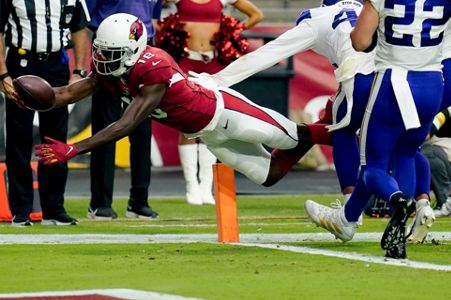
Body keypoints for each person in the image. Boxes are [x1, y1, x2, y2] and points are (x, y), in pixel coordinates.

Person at [33, 13, 311, 197]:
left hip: (225, 112)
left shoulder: (153, 66)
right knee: (268, 176)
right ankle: (321, 135)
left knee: (295, 137)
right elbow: (64, 95)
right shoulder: (112, 71)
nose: (104, 58)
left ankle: (336, 138)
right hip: (207, 133)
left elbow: (126, 124)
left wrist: (75, 147)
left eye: (112, 53)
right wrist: (25, 96)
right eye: (102, 51)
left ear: (134, 49)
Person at [305, 0, 450, 258]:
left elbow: (360, 41)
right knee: (406, 153)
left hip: (392, 83)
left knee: (373, 166)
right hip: (431, 84)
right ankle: (380, 224)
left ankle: (397, 201)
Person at [159, 0, 263, 205]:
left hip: (214, 64)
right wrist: (165, 31)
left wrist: (232, 31)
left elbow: (256, 15)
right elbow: (154, 10)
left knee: (211, 123)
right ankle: (191, 187)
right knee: (187, 124)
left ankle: (206, 187)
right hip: (186, 62)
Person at [0, 0, 89, 226]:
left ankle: (54, 208)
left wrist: (78, 70)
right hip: (21, 62)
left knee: (56, 137)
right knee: (19, 138)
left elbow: (79, 27)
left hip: (56, 63)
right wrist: (3, 74)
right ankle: (21, 210)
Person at [85, 0, 163, 220]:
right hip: (109, 50)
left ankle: (139, 201)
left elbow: (153, 18)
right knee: (106, 128)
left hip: (145, 48)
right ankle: (99, 203)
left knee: (142, 130)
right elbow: (86, 18)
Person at [423, 107, 451, 217]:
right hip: (437, 147)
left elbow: (440, 117)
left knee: (426, 154)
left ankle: (445, 202)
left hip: (443, 149)